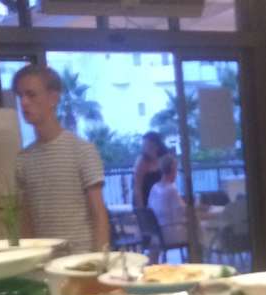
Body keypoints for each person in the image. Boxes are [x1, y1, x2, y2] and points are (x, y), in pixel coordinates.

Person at [11, 64, 110, 254]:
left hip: (82, 261)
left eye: (31, 95)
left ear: (53, 98)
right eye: (20, 95)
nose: (24, 102)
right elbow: (26, 220)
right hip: (43, 261)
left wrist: (100, 261)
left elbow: (99, 214)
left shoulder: (82, 150)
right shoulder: (23, 159)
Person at [145, 154, 188, 260]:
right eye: (176, 170)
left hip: (156, 233)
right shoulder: (171, 189)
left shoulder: (154, 188)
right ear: (173, 169)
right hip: (169, 233)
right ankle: (197, 259)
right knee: (195, 229)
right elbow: (183, 210)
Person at [133, 132, 167, 216]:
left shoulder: (163, 158)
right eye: (143, 145)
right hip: (144, 200)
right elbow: (137, 187)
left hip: (159, 201)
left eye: (146, 144)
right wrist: (141, 209)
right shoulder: (141, 161)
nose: (144, 147)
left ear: (156, 145)